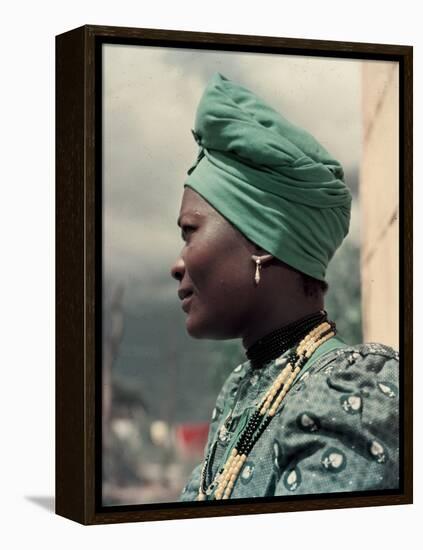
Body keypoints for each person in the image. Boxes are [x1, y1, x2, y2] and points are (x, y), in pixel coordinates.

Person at [170, 73, 399, 501]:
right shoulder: (244, 389)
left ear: (263, 241)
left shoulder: (353, 397)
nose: (176, 263)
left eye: (189, 231)